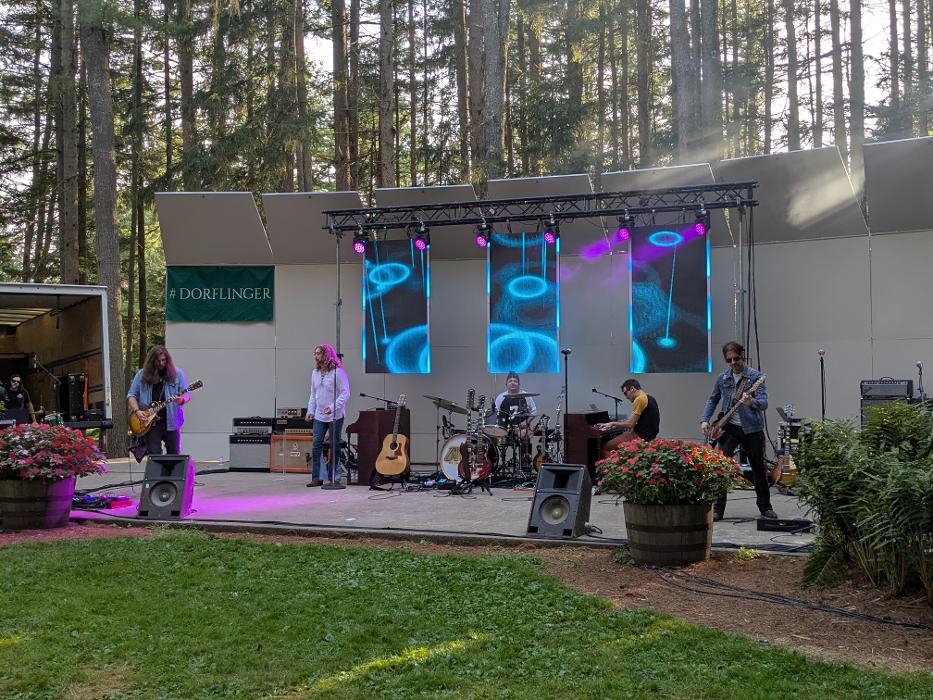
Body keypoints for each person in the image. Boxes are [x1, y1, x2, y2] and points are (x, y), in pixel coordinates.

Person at [700, 341, 777, 521]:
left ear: (743, 356)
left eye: (736, 358)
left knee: (758, 468)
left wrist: (752, 402)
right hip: (730, 428)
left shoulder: (756, 377)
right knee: (721, 467)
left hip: (752, 429)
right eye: (729, 360)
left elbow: (764, 403)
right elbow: (713, 399)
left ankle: (765, 507)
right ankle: (718, 509)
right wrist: (704, 419)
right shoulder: (723, 378)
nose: (733, 363)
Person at [127, 346, 190, 456]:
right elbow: (131, 395)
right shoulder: (141, 375)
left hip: (172, 422)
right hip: (151, 424)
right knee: (154, 456)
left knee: (174, 455)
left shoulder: (178, 374)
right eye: (158, 361)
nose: (161, 363)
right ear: (151, 361)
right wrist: (137, 411)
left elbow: (186, 395)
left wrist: (181, 400)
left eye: (163, 360)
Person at [305, 344, 350, 487]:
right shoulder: (315, 373)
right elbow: (313, 394)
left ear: (326, 355)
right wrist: (310, 411)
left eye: (318, 353)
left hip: (335, 415)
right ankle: (317, 477)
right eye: (315, 353)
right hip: (319, 415)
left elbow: (345, 393)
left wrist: (332, 408)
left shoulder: (338, 372)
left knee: (334, 445)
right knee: (316, 444)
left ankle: (334, 477)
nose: (315, 356)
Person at [596, 378, 660, 456]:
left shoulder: (639, 399)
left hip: (641, 436)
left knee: (604, 448)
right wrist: (617, 425)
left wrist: (612, 423)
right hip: (649, 436)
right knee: (622, 435)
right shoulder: (650, 398)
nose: (626, 397)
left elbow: (630, 424)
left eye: (625, 393)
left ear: (632, 389)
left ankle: (620, 462)